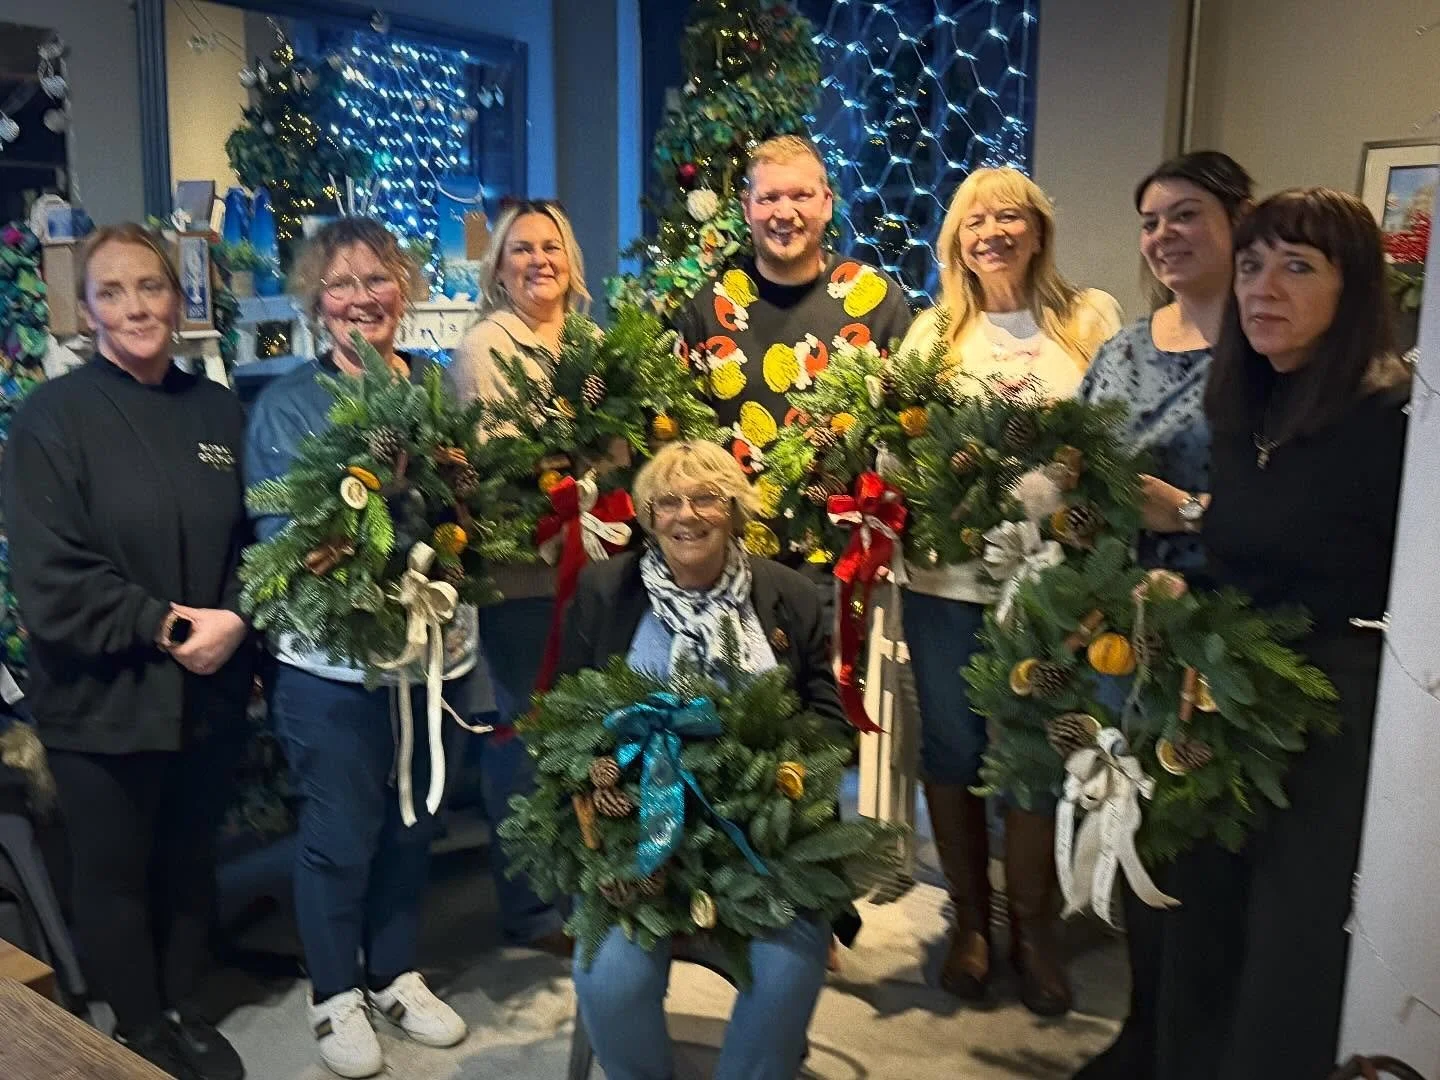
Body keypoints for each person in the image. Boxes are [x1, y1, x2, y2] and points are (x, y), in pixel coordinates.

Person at [1154, 189, 1410, 1080]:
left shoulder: (1393, 422)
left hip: (1332, 714)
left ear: (1353, 291)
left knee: (1290, 953)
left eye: (1298, 267)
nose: (1264, 288)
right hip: (1226, 699)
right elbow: (1241, 548)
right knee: (1201, 926)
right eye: (1255, 264)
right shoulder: (1243, 411)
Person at [3, 224, 252, 1080]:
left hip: (208, 695)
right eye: (113, 292)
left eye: (151, 287)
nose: (137, 306)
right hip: (100, 701)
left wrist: (241, 617)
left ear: (179, 300)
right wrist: (173, 626)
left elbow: (263, 543)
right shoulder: (52, 420)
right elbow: (52, 579)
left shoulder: (220, 412)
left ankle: (182, 1006)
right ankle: (139, 1030)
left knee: (189, 863)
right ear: (86, 311)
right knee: (114, 876)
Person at [245, 218, 472, 1079]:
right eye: (340, 285)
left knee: (415, 824)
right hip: (330, 665)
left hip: (430, 658)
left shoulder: (443, 392)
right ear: (315, 303)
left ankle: (393, 972)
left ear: (403, 291)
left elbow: (470, 508)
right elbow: (283, 534)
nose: (360, 298)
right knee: (342, 831)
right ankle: (333, 991)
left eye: (376, 280)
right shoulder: (285, 408)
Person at [897, 167, 1123, 1016]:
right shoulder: (932, 335)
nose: (990, 231)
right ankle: (970, 921)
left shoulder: (1088, 320)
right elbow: (905, 449)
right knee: (953, 745)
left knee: (1035, 747)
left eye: (1008, 217)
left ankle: (1035, 928)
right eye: (973, 219)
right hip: (946, 582)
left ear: (1038, 231)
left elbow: (1115, 441)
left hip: (1050, 589)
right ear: (956, 238)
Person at [558, 440, 845, 1080]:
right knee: (609, 981)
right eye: (668, 503)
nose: (687, 516)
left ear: (735, 509)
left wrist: (779, 776)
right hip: (636, 830)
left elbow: (828, 719)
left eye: (706, 498)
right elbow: (565, 714)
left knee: (788, 969)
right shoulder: (607, 591)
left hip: (761, 837)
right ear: (648, 515)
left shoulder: (789, 595)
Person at [1072, 150, 1254, 1079]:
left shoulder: (1269, 352)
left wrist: (1181, 512)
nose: (1164, 236)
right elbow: (1075, 467)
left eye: (1185, 215)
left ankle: (1193, 1042)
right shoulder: (1122, 349)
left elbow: (1304, 508)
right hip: (1122, 631)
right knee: (1134, 823)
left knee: (1202, 845)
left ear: (1238, 220)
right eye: (1151, 222)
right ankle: (1143, 1027)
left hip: (1225, 631)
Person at [448, 200, 596, 953]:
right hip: (522, 578)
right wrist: (578, 470)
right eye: (521, 250)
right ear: (498, 268)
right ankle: (532, 908)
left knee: (592, 734)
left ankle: (589, 884)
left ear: (571, 258)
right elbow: (504, 466)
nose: (539, 260)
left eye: (551, 246)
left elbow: (621, 447)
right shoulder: (485, 347)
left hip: (598, 570)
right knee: (526, 740)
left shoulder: (597, 344)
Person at [671, 134, 913, 562]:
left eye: (801, 195)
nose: (785, 212)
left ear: (827, 202)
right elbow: (679, 443)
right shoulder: (708, 309)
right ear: (747, 208)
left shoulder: (877, 300)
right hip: (736, 563)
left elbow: (909, 430)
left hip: (851, 561)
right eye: (769, 198)